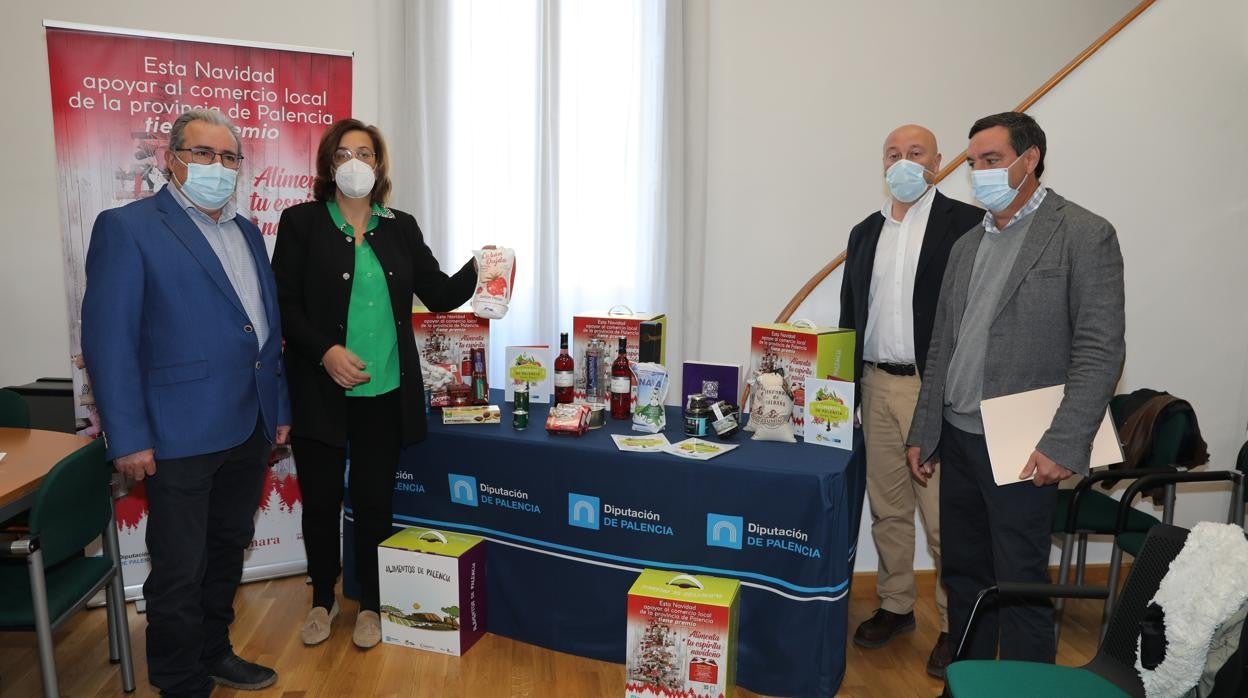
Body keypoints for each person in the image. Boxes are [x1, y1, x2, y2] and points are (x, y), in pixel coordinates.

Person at [81, 108, 290, 697]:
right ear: (172, 158)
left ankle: (214, 652)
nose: (217, 168)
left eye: (228, 158)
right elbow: (108, 341)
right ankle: (178, 679)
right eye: (203, 154)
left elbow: (267, 333)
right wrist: (127, 436)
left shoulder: (247, 231)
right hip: (175, 435)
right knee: (178, 569)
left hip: (249, 425)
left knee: (227, 551)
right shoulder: (127, 228)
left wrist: (281, 409)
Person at [907, 112, 1125, 665]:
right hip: (957, 436)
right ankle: (971, 680)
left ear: (1030, 160)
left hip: (1024, 442)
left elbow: (1100, 351)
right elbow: (941, 348)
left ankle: (1027, 685)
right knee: (964, 577)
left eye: (992, 160)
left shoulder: (1083, 232)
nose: (979, 171)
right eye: (974, 162)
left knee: (1022, 582)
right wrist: (923, 429)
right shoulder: (966, 245)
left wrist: (1064, 443)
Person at [271, 119, 481, 649]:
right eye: (343, 154)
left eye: (365, 152)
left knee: (373, 503)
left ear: (379, 165)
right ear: (328, 165)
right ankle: (322, 599)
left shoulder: (401, 227)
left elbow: (439, 293)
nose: (355, 162)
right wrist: (326, 351)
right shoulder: (300, 223)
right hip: (319, 390)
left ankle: (370, 605)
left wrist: (488, 267)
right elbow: (284, 306)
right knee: (319, 502)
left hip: (383, 393)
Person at [839, 124, 984, 678]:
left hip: (934, 390)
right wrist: (842, 390)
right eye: (893, 154)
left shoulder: (967, 226)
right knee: (888, 508)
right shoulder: (863, 232)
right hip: (874, 385)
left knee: (943, 517)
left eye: (915, 153)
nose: (904, 162)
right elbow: (853, 313)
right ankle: (896, 605)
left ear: (939, 162)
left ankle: (955, 624)